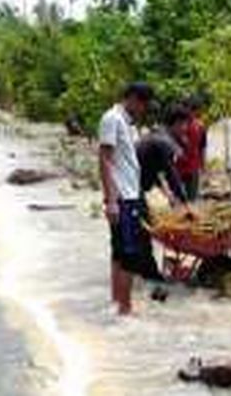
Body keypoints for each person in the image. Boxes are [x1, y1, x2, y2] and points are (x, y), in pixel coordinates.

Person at [98, 82, 156, 315]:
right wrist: (111, 200)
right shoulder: (112, 119)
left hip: (129, 195)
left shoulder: (126, 122)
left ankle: (117, 304)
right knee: (129, 255)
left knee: (120, 253)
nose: (143, 109)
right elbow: (105, 160)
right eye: (142, 103)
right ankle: (125, 309)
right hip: (124, 198)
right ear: (131, 98)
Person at [176, 97, 207, 200]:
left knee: (190, 197)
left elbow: (202, 147)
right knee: (181, 197)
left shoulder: (200, 126)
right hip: (180, 167)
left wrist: (203, 166)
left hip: (191, 167)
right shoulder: (178, 126)